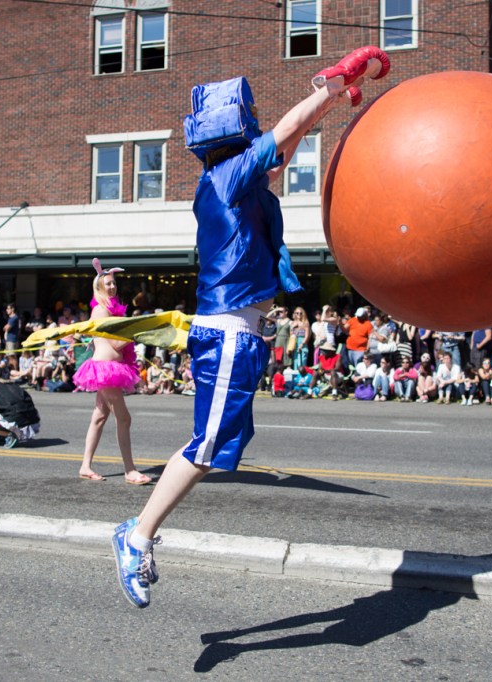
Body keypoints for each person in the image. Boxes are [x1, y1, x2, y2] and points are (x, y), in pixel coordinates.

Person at [112, 50, 390, 608]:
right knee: (207, 445)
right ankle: (135, 536)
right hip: (228, 332)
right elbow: (284, 133)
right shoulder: (226, 178)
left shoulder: (238, 184)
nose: (268, 146)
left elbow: (283, 146)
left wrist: (329, 102)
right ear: (238, 136)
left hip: (240, 333)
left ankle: (136, 534)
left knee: (219, 446)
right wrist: (330, 86)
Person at [73, 258, 152, 485]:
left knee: (99, 418)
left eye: (114, 283)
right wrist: (136, 331)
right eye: (107, 283)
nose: (112, 287)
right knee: (124, 419)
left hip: (111, 368)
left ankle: (85, 466)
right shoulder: (100, 311)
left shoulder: (109, 311)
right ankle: (130, 470)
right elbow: (114, 344)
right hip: (105, 370)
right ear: (99, 288)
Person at [0, 364, 40, 449]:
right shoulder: (13, 384)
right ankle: (3, 437)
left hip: (16, 420)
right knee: (0, 414)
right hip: (32, 420)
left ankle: (10, 435)